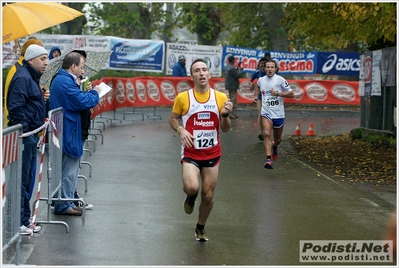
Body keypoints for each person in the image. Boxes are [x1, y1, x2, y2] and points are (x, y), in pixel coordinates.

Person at [169, 58, 233, 242]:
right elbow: (173, 119)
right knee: (192, 187)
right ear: (192, 76)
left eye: (204, 69)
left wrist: (226, 115)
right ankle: (190, 196)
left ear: (209, 74)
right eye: (197, 70)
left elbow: (226, 128)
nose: (201, 73)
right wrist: (181, 130)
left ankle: (200, 227)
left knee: (208, 194)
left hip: (212, 153)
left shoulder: (220, 98)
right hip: (191, 153)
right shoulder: (183, 98)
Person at [49, 52, 100, 216]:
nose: (83, 71)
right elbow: (82, 101)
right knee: (69, 170)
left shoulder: (64, 80)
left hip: (68, 128)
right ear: (73, 66)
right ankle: (64, 204)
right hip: (68, 130)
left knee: (69, 169)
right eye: (82, 67)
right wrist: (95, 92)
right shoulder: (64, 82)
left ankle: (67, 201)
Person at [7, 44, 50, 235]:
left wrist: (41, 98)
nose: (46, 63)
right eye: (42, 59)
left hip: (30, 135)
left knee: (27, 180)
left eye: (46, 59)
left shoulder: (30, 78)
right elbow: (15, 107)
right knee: (22, 181)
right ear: (31, 59)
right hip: (24, 137)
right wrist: (26, 132)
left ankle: (23, 220)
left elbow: (28, 103)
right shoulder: (23, 77)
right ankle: (19, 222)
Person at [257, 59, 294, 169]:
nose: (269, 69)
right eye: (267, 67)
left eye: (272, 67)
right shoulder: (261, 80)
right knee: (267, 134)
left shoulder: (280, 80)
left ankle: (275, 146)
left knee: (277, 139)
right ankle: (268, 160)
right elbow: (257, 86)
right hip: (266, 112)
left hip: (278, 114)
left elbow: (292, 94)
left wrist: (278, 93)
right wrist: (256, 96)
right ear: (264, 69)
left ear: (276, 69)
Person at [250, 57, 267, 141]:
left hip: (268, 97)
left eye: (264, 63)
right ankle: (261, 132)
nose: (263, 65)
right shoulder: (257, 72)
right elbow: (252, 81)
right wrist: (252, 84)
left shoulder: (270, 72)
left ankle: (267, 131)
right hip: (260, 97)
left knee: (267, 115)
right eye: (262, 63)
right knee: (260, 113)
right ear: (259, 64)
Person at [224, 55, 243, 119]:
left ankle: (230, 113)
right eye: (234, 60)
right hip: (233, 85)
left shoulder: (227, 67)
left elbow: (232, 74)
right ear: (232, 60)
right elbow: (237, 75)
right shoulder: (232, 67)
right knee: (233, 100)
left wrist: (237, 69)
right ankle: (232, 114)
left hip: (229, 85)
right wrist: (240, 70)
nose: (235, 61)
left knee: (231, 99)